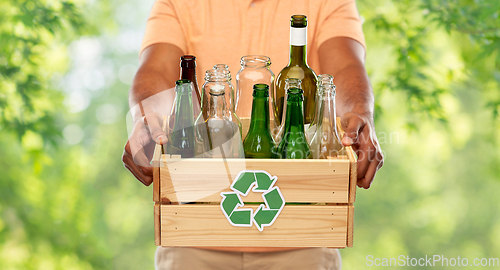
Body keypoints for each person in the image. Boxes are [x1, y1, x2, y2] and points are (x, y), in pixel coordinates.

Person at [121, 0, 384, 269]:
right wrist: (147, 116)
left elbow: (344, 68)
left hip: (300, 238)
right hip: (194, 233)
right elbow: (157, 70)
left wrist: (360, 112)